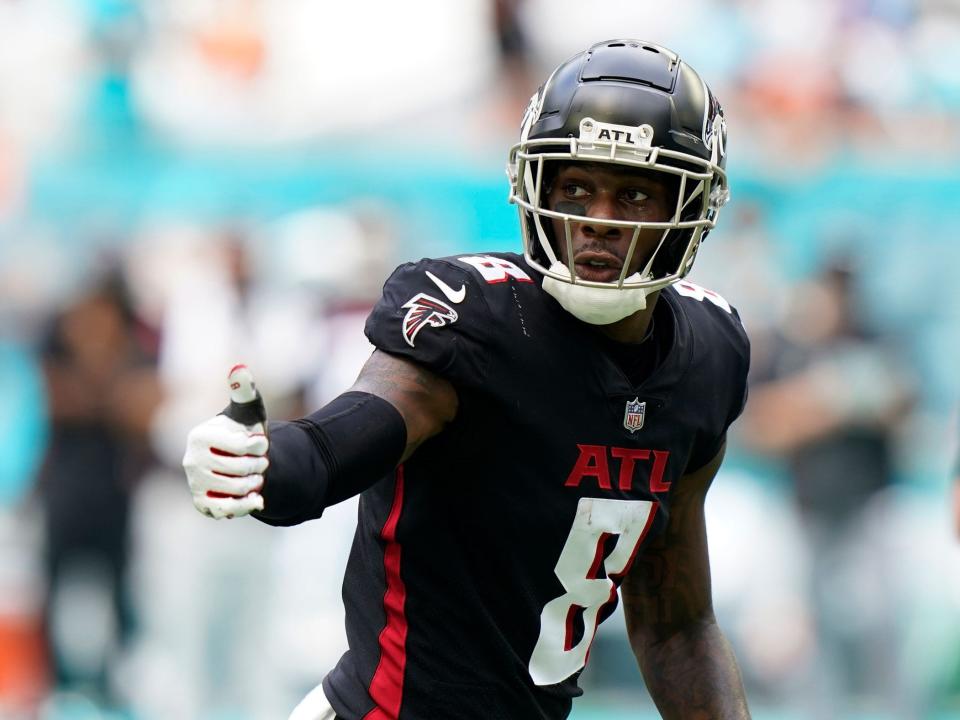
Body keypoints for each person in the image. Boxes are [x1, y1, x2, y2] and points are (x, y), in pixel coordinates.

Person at [183, 40, 752, 720]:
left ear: (690, 208)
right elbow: (354, 434)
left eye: (632, 194)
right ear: (536, 187)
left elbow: (675, 623)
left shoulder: (705, 357)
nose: (597, 222)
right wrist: (270, 461)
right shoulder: (480, 319)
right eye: (576, 187)